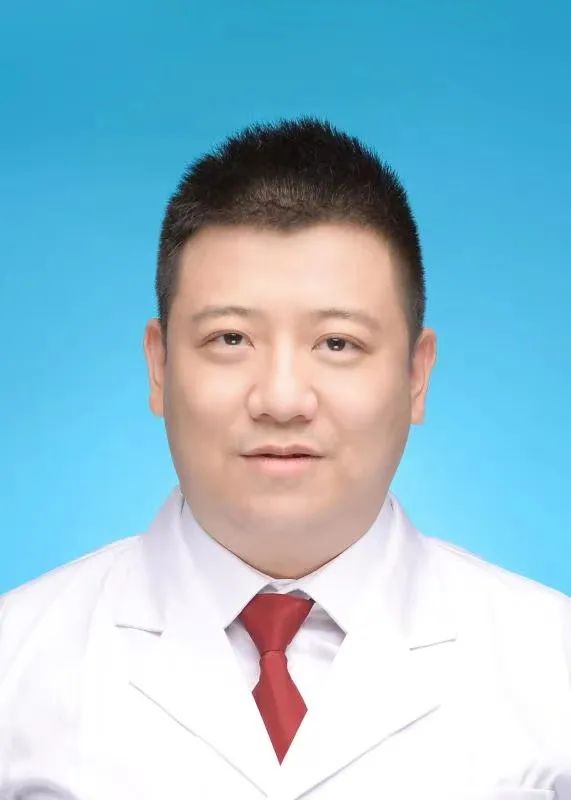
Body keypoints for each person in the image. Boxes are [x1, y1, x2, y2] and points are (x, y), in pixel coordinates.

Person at [0, 118, 569, 800]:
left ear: (416, 376)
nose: (280, 399)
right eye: (230, 338)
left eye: (336, 344)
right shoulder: (16, 663)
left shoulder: (551, 665)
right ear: (160, 365)